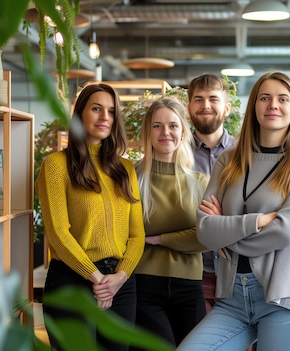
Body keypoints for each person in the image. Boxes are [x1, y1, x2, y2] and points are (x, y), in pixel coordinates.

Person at [177, 71, 290, 351]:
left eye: (283, 99)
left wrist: (227, 233)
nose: (273, 105)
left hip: (285, 297)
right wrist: (258, 221)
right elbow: (205, 229)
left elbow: (284, 232)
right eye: (265, 98)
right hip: (232, 296)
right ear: (253, 106)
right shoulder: (228, 160)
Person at [36, 83, 145, 351]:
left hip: (120, 284)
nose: (104, 117)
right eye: (96, 109)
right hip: (72, 281)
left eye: (110, 111)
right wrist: (97, 279)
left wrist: (118, 278)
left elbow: (137, 234)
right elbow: (58, 234)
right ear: (80, 114)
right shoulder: (55, 166)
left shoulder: (125, 169)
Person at [133, 98, 209, 347]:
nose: (166, 133)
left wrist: (157, 238)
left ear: (183, 131)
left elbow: (206, 237)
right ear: (148, 132)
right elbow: (124, 232)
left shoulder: (200, 182)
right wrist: (183, 236)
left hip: (189, 287)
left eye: (173, 126)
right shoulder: (131, 178)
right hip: (144, 285)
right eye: (157, 126)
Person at [187, 73, 236, 313]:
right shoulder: (175, 153)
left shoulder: (244, 152)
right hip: (193, 271)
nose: (205, 105)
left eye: (213, 99)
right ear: (189, 108)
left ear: (226, 108)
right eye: (198, 99)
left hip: (237, 271)